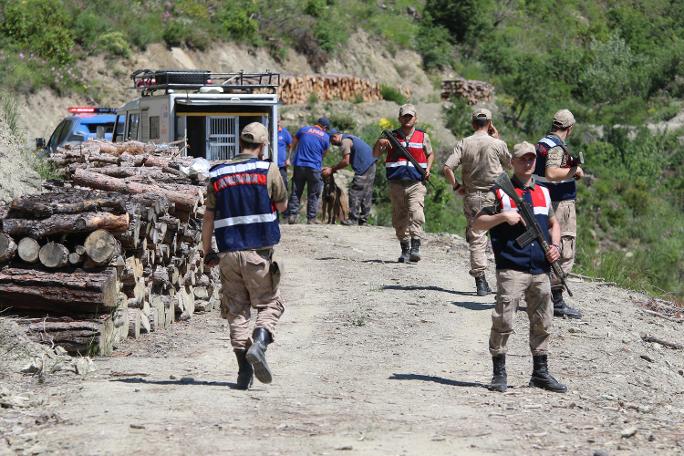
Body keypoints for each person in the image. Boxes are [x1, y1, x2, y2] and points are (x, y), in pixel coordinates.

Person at [473, 142, 567, 394]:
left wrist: (555, 245)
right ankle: (499, 373)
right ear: (512, 162)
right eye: (523, 159)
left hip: (540, 268)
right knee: (504, 320)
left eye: (532, 159)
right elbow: (478, 222)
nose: (528, 163)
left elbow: (553, 223)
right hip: (511, 267)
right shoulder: (500, 191)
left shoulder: (543, 191)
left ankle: (540, 373)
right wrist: (503, 217)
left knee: (543, 321)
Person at [201, 122, 288, 390]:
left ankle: (243, 373)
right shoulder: (267, 169)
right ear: (262, 146)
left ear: (241, 143)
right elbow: (282, 204)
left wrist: (207, 252)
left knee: (237, 313)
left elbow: (208, 217)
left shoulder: (218, 173)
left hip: (227, 253)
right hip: (258, 253)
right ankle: (260, 343)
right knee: (269, 305)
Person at [443, 108, 511, 296]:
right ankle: (507, 280)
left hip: (473, 196)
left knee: (477, 237)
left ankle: (481, 282)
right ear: (490, 123)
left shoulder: (464, 143)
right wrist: (497, 138)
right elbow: (510, 165)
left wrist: (456, 186)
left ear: (473, 124)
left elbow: (447, 167)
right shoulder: (498, 144)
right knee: (502, 236)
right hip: (497, 196)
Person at [534, 109, 583, 319]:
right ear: (569, 128)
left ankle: (541, 295)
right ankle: (557, 301)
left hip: (544, 202)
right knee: (563, 249)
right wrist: (575, 171)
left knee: (546, 247)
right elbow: (552, 173)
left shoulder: (542, 144)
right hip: (560, 204)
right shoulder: (556, 147)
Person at [373, 104, 434, 262]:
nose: (407, 119)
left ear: (415, 118)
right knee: (399, 217)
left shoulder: (423, 136)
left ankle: (415, 246)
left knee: (417, 213)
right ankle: (405, 248)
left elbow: (430, 154)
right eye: (404, 116)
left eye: (410, 116)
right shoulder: (390, 136)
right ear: (399, 118)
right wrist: (380, 143)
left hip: (416, 183)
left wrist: (428, 168)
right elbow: (375, 154)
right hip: (396, 183)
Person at [323, 131, 377, 225]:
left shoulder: (345, 141)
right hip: (371, 163)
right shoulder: (351, 137)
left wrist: (332, 169)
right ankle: (363, 220)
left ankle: (353, 219)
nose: (332, 143)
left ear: (335, 136)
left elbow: (345, 161)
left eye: (331, 140)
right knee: (366, 193)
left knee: (355, 191)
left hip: (364, 166)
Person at [284, 117, 332, 224]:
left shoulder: (304, 129)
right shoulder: (325, 137)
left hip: (299, 164)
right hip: (314, 167)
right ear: (324, 127)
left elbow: (293, 143)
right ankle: (311, 218)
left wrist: (290, 157)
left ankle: (292, 216)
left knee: (296, 191)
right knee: (313, 193)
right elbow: (324, 153)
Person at [277, 121, 292, 189]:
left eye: (278, 121)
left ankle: (285, 199)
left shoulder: (284, 132)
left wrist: (288, 159)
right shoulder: (268, 131)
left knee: (283, 186)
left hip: (281, 165)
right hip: (269, 165)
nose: (277, 122)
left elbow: (291, 146)